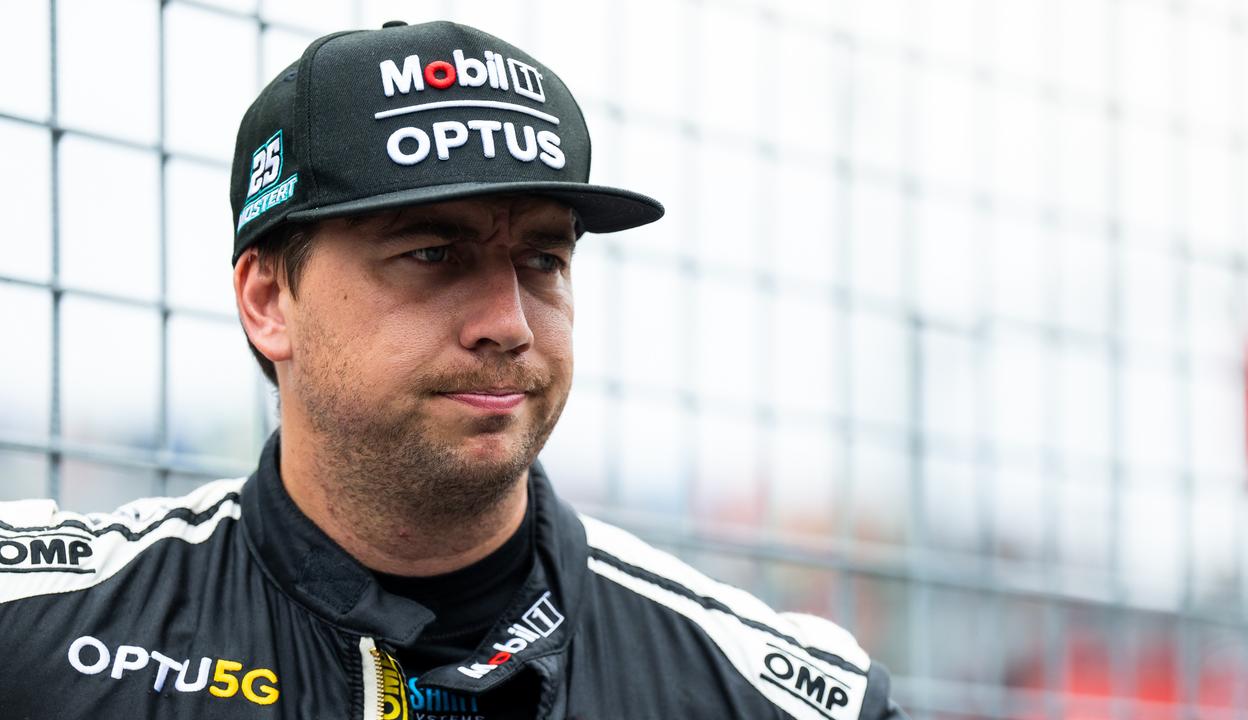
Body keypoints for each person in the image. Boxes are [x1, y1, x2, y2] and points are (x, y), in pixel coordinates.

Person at [0, 20, 904, 720]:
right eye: (434, 254)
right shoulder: (41, 638)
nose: (508, 322)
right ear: (270, 300)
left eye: (543, 260)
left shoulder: (775, 695)